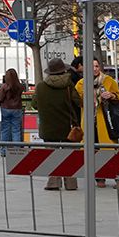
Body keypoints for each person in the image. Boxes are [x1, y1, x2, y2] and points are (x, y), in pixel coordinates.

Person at [77, 58, 119, 187]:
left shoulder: (108, 81)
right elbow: (76, 101)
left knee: (110, 149)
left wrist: (112, 96)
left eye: (96, 66)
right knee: (92, 151)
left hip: (106, 120)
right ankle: (99, 178)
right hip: (89, 121)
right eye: (92, 66)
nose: (94, 69)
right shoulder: (81, 84)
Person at [34, 58, 82, 191]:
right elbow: (78, 102)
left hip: (48, 128)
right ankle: (71, 183)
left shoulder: (40, 87)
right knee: (69, 156)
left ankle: (53, 183)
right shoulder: (68, 85)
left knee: (51, 155)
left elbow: (34, 104)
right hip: (68, 128)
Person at [0, 68, 27, 148]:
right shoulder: (20, 87)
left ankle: (4, 150)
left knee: (5, 130)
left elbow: (0, 98)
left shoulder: (5, 87)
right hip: (17, 109)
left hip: (5, 109)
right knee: (16, 130)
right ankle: (17, 150)